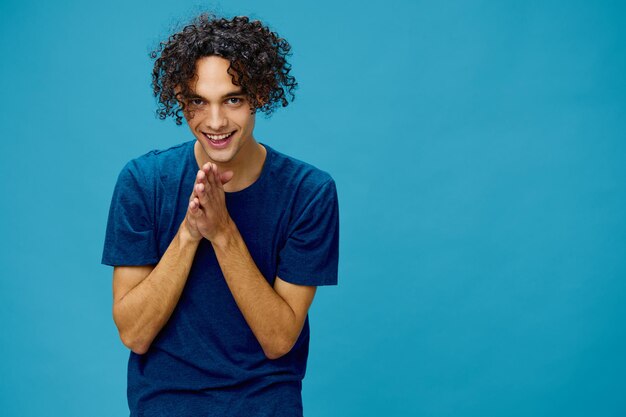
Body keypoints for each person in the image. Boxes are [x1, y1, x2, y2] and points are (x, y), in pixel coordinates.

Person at [101, 13, 339, 417]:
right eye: (198, 101)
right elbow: (134, 334)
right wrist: (191, 233)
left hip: (266, 405)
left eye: (233, 99)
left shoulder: (309, 192)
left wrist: (223, 232)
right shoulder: (143, 181)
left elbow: (279, 339)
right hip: (163, 405)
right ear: (179, 98)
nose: (214, 122)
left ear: (260, 94)